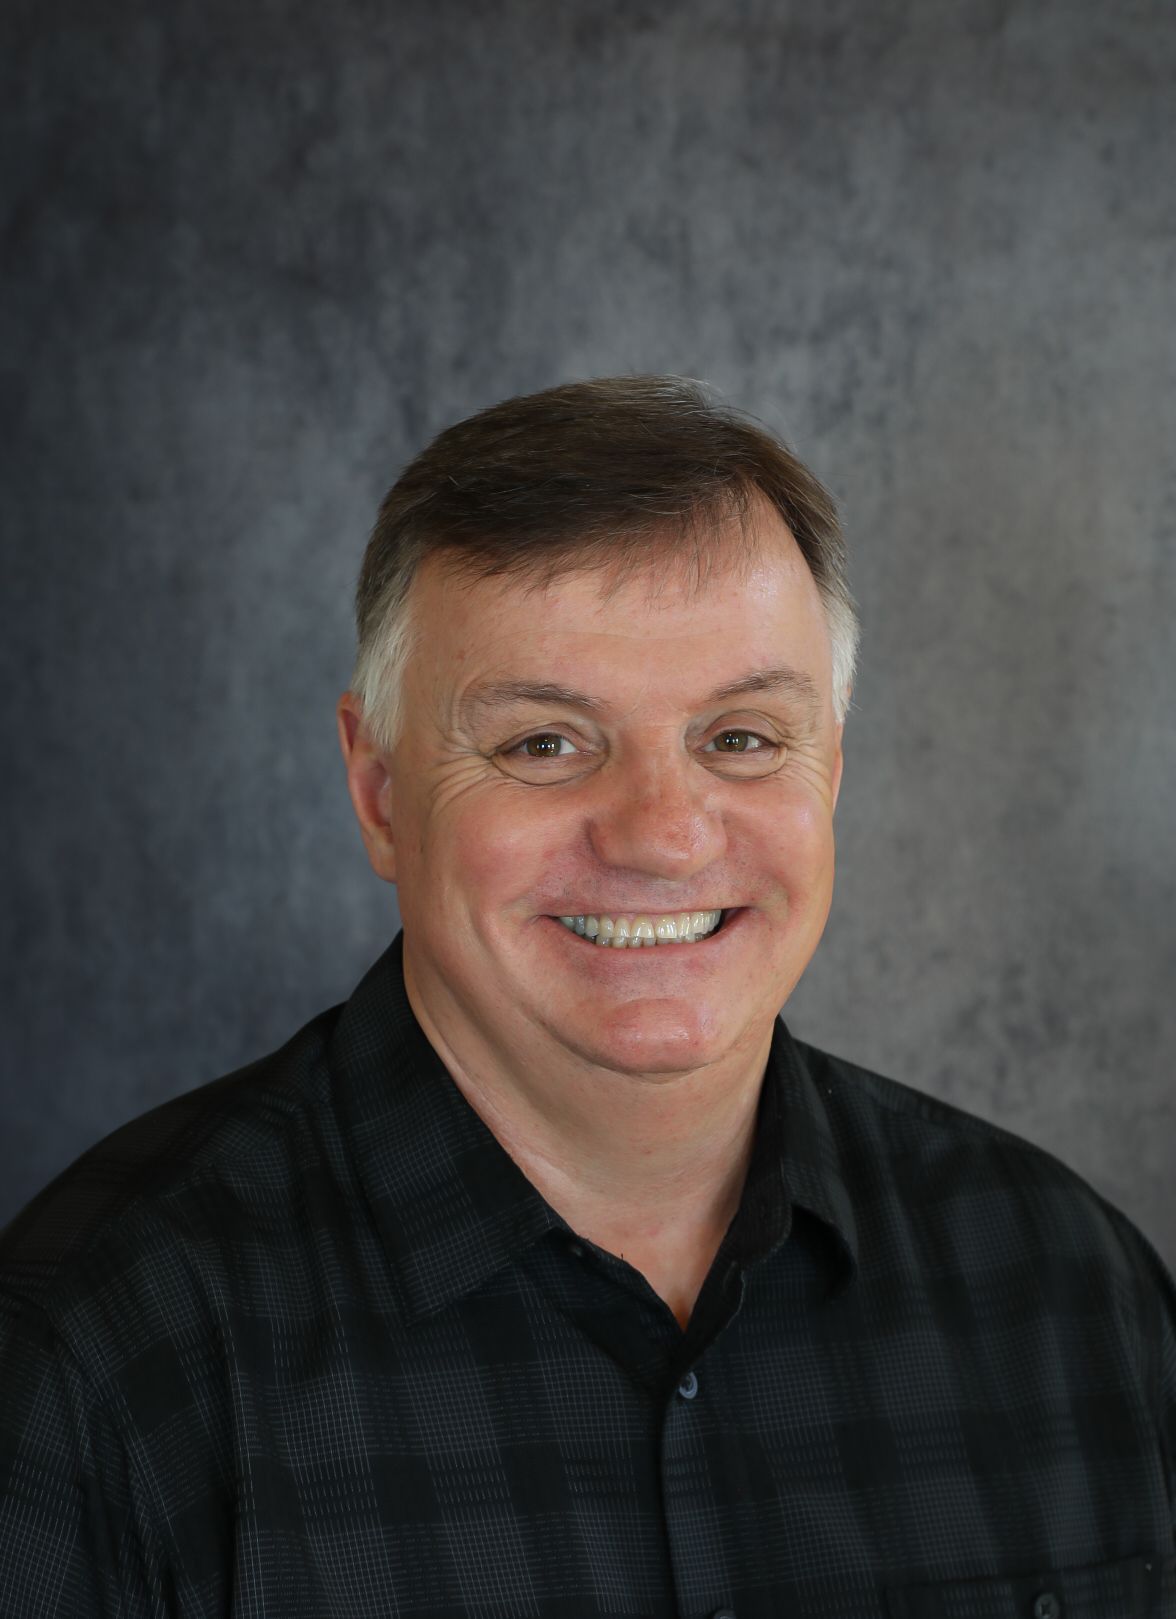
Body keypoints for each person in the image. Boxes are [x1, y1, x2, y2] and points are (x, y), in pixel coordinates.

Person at [1, 376, 1173, 1619]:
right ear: (381, 791)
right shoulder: (97, 1362)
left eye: (741, 737)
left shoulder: (1073, 1292)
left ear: (829, 771)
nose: (665, 836)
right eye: (545, 744)